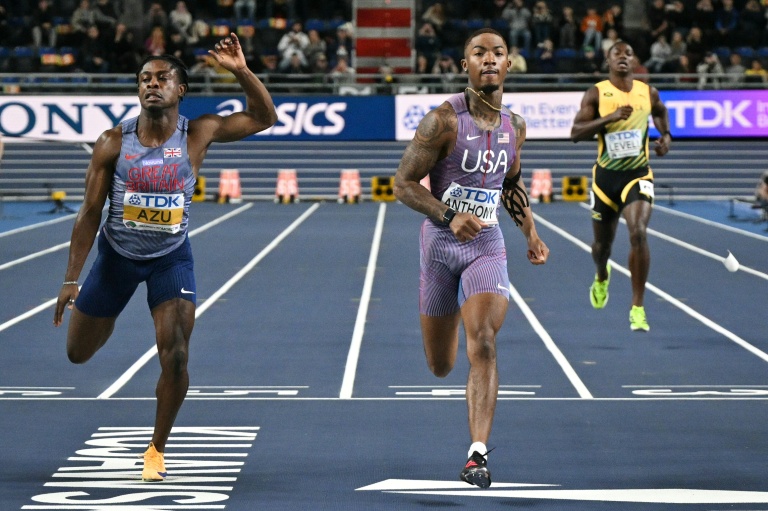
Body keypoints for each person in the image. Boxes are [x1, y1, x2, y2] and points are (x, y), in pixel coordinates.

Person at [53, 33, 277, 482]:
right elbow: (89, 212)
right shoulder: (113, 143)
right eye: (144, 79)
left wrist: (240, 71)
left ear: (181, 89)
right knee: (78, 353)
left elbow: (264, 118)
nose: (151, 84)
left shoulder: (198, 133)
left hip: (170, 258)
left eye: (162, 78)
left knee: (174, 354)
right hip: (116, 258)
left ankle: (156, 449)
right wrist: (70, 278)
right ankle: (109, 309)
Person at [393, 28, 549, 489]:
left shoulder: (515, 127)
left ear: (508, 64)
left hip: (487, 245)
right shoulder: (441, 121)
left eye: (497, 53)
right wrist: (447, 214)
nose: (488, 60)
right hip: (440, 248)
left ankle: (476, 454)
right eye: (478, 52)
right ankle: (452, 316)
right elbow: (401, 184)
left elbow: (511, 183)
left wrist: (531, 232)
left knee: (482, 341)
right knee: (441, 364)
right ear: (465, 65)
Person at [570, 41, 671, 332]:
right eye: (618, 54)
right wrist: (609, 118)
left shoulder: (647, 91)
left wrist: (666, 136)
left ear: (634, 60)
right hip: (605, 181)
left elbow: (661, 111)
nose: (624, 57)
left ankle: (637, 306)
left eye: (628, 53)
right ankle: (602, 274)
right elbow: (575, 133)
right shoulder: (597, 93)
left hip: (638, 175)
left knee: (638, 233)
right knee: (602, 247)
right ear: (608, 61)